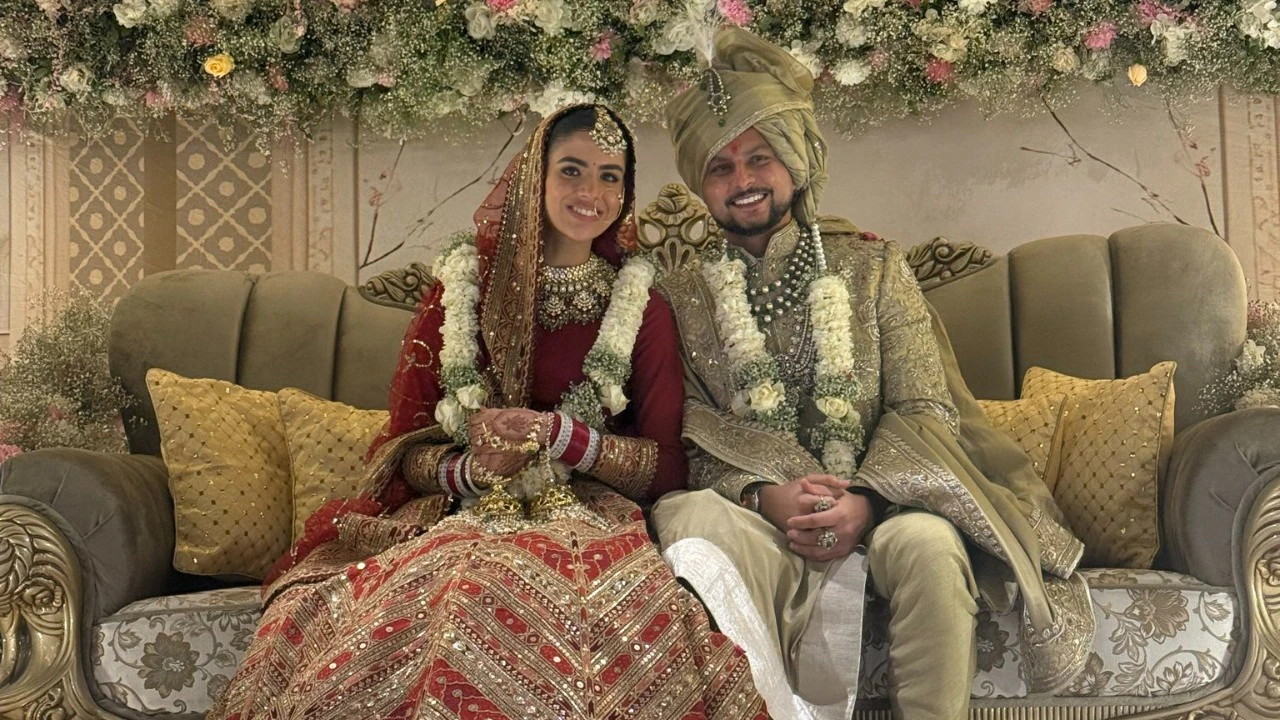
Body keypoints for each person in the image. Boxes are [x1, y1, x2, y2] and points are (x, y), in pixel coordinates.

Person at [209, 104, 767, 720]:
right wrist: (472, 470)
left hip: (583, 512)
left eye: (611, 176)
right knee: (432, 593)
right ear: (535, 177)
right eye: (573, 171)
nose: (592, 193)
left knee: (503, 588)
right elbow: (405, 452)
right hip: (460, 511)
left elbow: (667, 468)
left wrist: (558, 436)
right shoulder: (464, 288)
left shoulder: (643, 306)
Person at [651, 28, 1095, 720]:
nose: (741, 181)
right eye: (719, 167)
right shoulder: (679, 298)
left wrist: (865, 500)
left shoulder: (874, 269)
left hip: (885, 506)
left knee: (928, 545)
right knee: (683, 516)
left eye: (758, 158)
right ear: (701, 186)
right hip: (759, 521)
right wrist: (768, 495)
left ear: (794, 164)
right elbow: (689, 433)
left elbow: (923, 407)